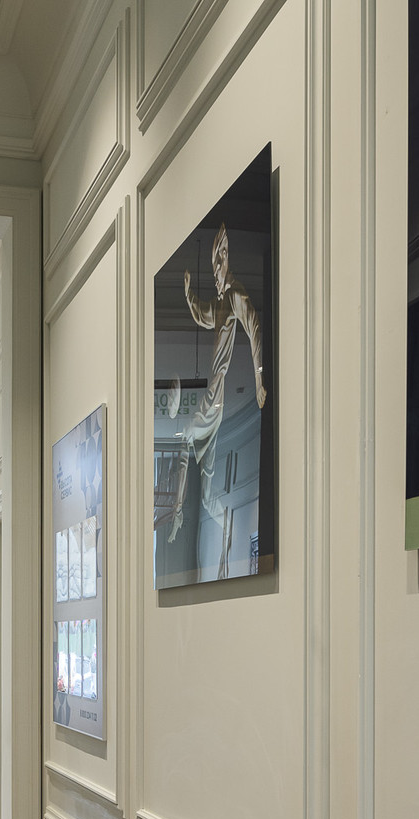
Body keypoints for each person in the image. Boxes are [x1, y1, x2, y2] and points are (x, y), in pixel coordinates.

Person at [166, 224, 267, 575]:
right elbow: (200, 313)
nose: (222, 262)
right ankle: (223, 550)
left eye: (224, 254)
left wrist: (259, 377)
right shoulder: (221, 301)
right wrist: (188, 294)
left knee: (184, 441)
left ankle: (178, 511)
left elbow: (254, 326)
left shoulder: (236, 294)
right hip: (213, 399)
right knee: (209, 498)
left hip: (216, 396)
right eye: (217, 257)